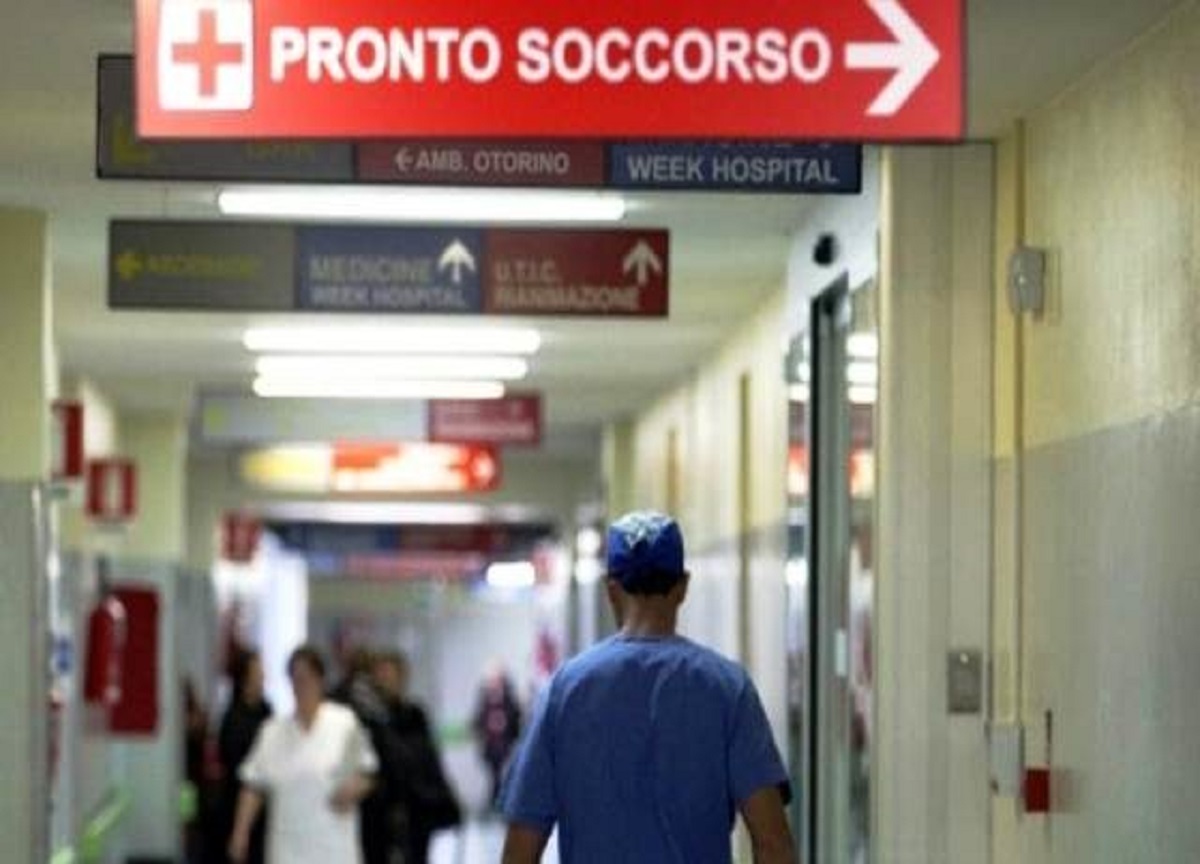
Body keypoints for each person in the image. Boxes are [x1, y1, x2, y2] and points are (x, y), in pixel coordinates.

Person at [500, 511, 797, 864]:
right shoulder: (728, 689)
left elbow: (520, 850)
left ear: (611, 590)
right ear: (682, 587)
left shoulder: (564, 690)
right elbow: (773, 844)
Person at [228, 645, 378, 864]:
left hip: (335, 848)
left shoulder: (344, 723)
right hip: (287, 848)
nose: (301, 686)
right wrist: (240, 832)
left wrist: (355, 788)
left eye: (307, 678)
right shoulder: (272, 731)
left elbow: (368, 772)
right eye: (295, 679)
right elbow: (253, 785)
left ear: (320, 680)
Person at [373, 651, 462, 864]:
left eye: (390, 675)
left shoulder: (415, 715)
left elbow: (429, 760)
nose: (385, 681)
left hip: (417, 810)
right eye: (381, 675)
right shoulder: (372, 719)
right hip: (382, 813)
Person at [216, 650, 272, 864]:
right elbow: (235, 765)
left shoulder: (267, 711)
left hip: (266, 807)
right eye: (258, 672)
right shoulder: (233, 719)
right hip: (238, 801)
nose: (263, 676)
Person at [472, 662, 522, 810]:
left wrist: (504, 721)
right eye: (491, 680)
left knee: (504, 775)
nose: (493, 683)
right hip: (490, 745)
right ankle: (495, 802)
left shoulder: (509, 698)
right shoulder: (484, 699)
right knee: (494, 776)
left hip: (506, 744)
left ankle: (500, 801)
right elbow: (477, 720)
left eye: (497, 679)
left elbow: (516, 718)